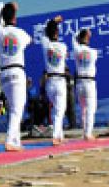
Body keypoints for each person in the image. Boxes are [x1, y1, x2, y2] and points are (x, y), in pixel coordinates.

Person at [0, 1, 31, 152]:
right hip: (17, 71)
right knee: (17, 109)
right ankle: (10, 140)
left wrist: (3, 8)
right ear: (14, 18)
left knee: (13, 108)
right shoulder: (21, 33)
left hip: (4, 73)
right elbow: (30, 40)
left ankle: (15, 140)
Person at [41, 16, 68, 145]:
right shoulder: (63, 46)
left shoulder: (45, 45)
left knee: (56, 109)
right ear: (57, 33)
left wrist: (53, 21)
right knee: (59, 110)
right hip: (60, 80)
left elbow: (44, 31)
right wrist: (54, 23)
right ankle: (56, 136)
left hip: (50, 81)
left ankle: (60, 135)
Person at [72, 28, 99, 140]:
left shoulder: (76, 50)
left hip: (79, 83)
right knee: (91, 109)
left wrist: (81, 33)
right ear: (87, 38)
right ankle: (88, 133)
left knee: (83, 109)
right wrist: (86, 33)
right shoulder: (94, 52)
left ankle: (85, 132)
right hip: (89, 82)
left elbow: (73, 37)